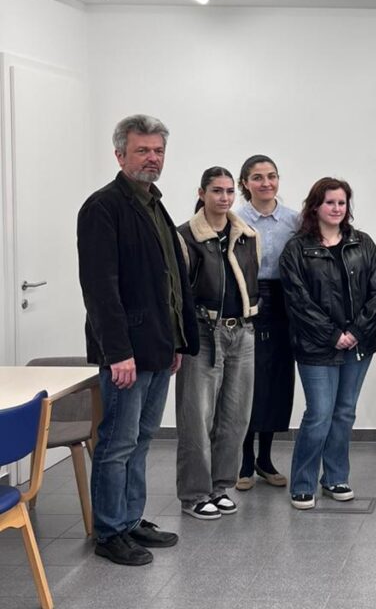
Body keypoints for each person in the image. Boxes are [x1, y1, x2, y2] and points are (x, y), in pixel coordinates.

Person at [77, 114, 199, 565]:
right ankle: (110, 532)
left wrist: (176, 342)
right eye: (142, 150)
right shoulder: (102, 207)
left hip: (158, 347)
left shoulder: (153, 203)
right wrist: (118, 353)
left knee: (143, 438)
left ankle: (130, 520)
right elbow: (100, 288)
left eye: (158, 150)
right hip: (126, 352)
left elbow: (170, 281)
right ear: (120, 155)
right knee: (117, 442)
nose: (152, 158)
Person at [279, 178, 376, 509]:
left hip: (358, 345)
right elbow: (298, 301)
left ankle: (335, 478)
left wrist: (355, 332)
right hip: (315, 347)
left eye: (342, 203)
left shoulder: (363, 243)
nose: (337, 208)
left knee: (344, 413)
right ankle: (303, 483)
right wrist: (332, 335)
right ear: (315, 206)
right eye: (330, 202)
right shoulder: (296, 249)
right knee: (319, 414)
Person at [175, 167, 259, 520]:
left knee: (236, 416)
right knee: (197, 417)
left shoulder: (247, 235)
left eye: (228, 191)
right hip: (203, 333)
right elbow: (177, 293)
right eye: (216, 191)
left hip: (242, 332)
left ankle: (220, 486)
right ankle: (194, 494)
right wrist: (180, 340)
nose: (224, 198)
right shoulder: (185, 236)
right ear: (202, 193)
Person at [235, 155, 299, 490]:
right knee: (249, 381)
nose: (266, 183)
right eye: (257, 177)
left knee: (277, 381)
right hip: (248, 300)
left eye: (271, 176)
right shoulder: (235, 218)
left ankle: (266, 459)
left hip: (285, 303)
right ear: (245, 183)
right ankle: (245, 461)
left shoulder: (293, 220)